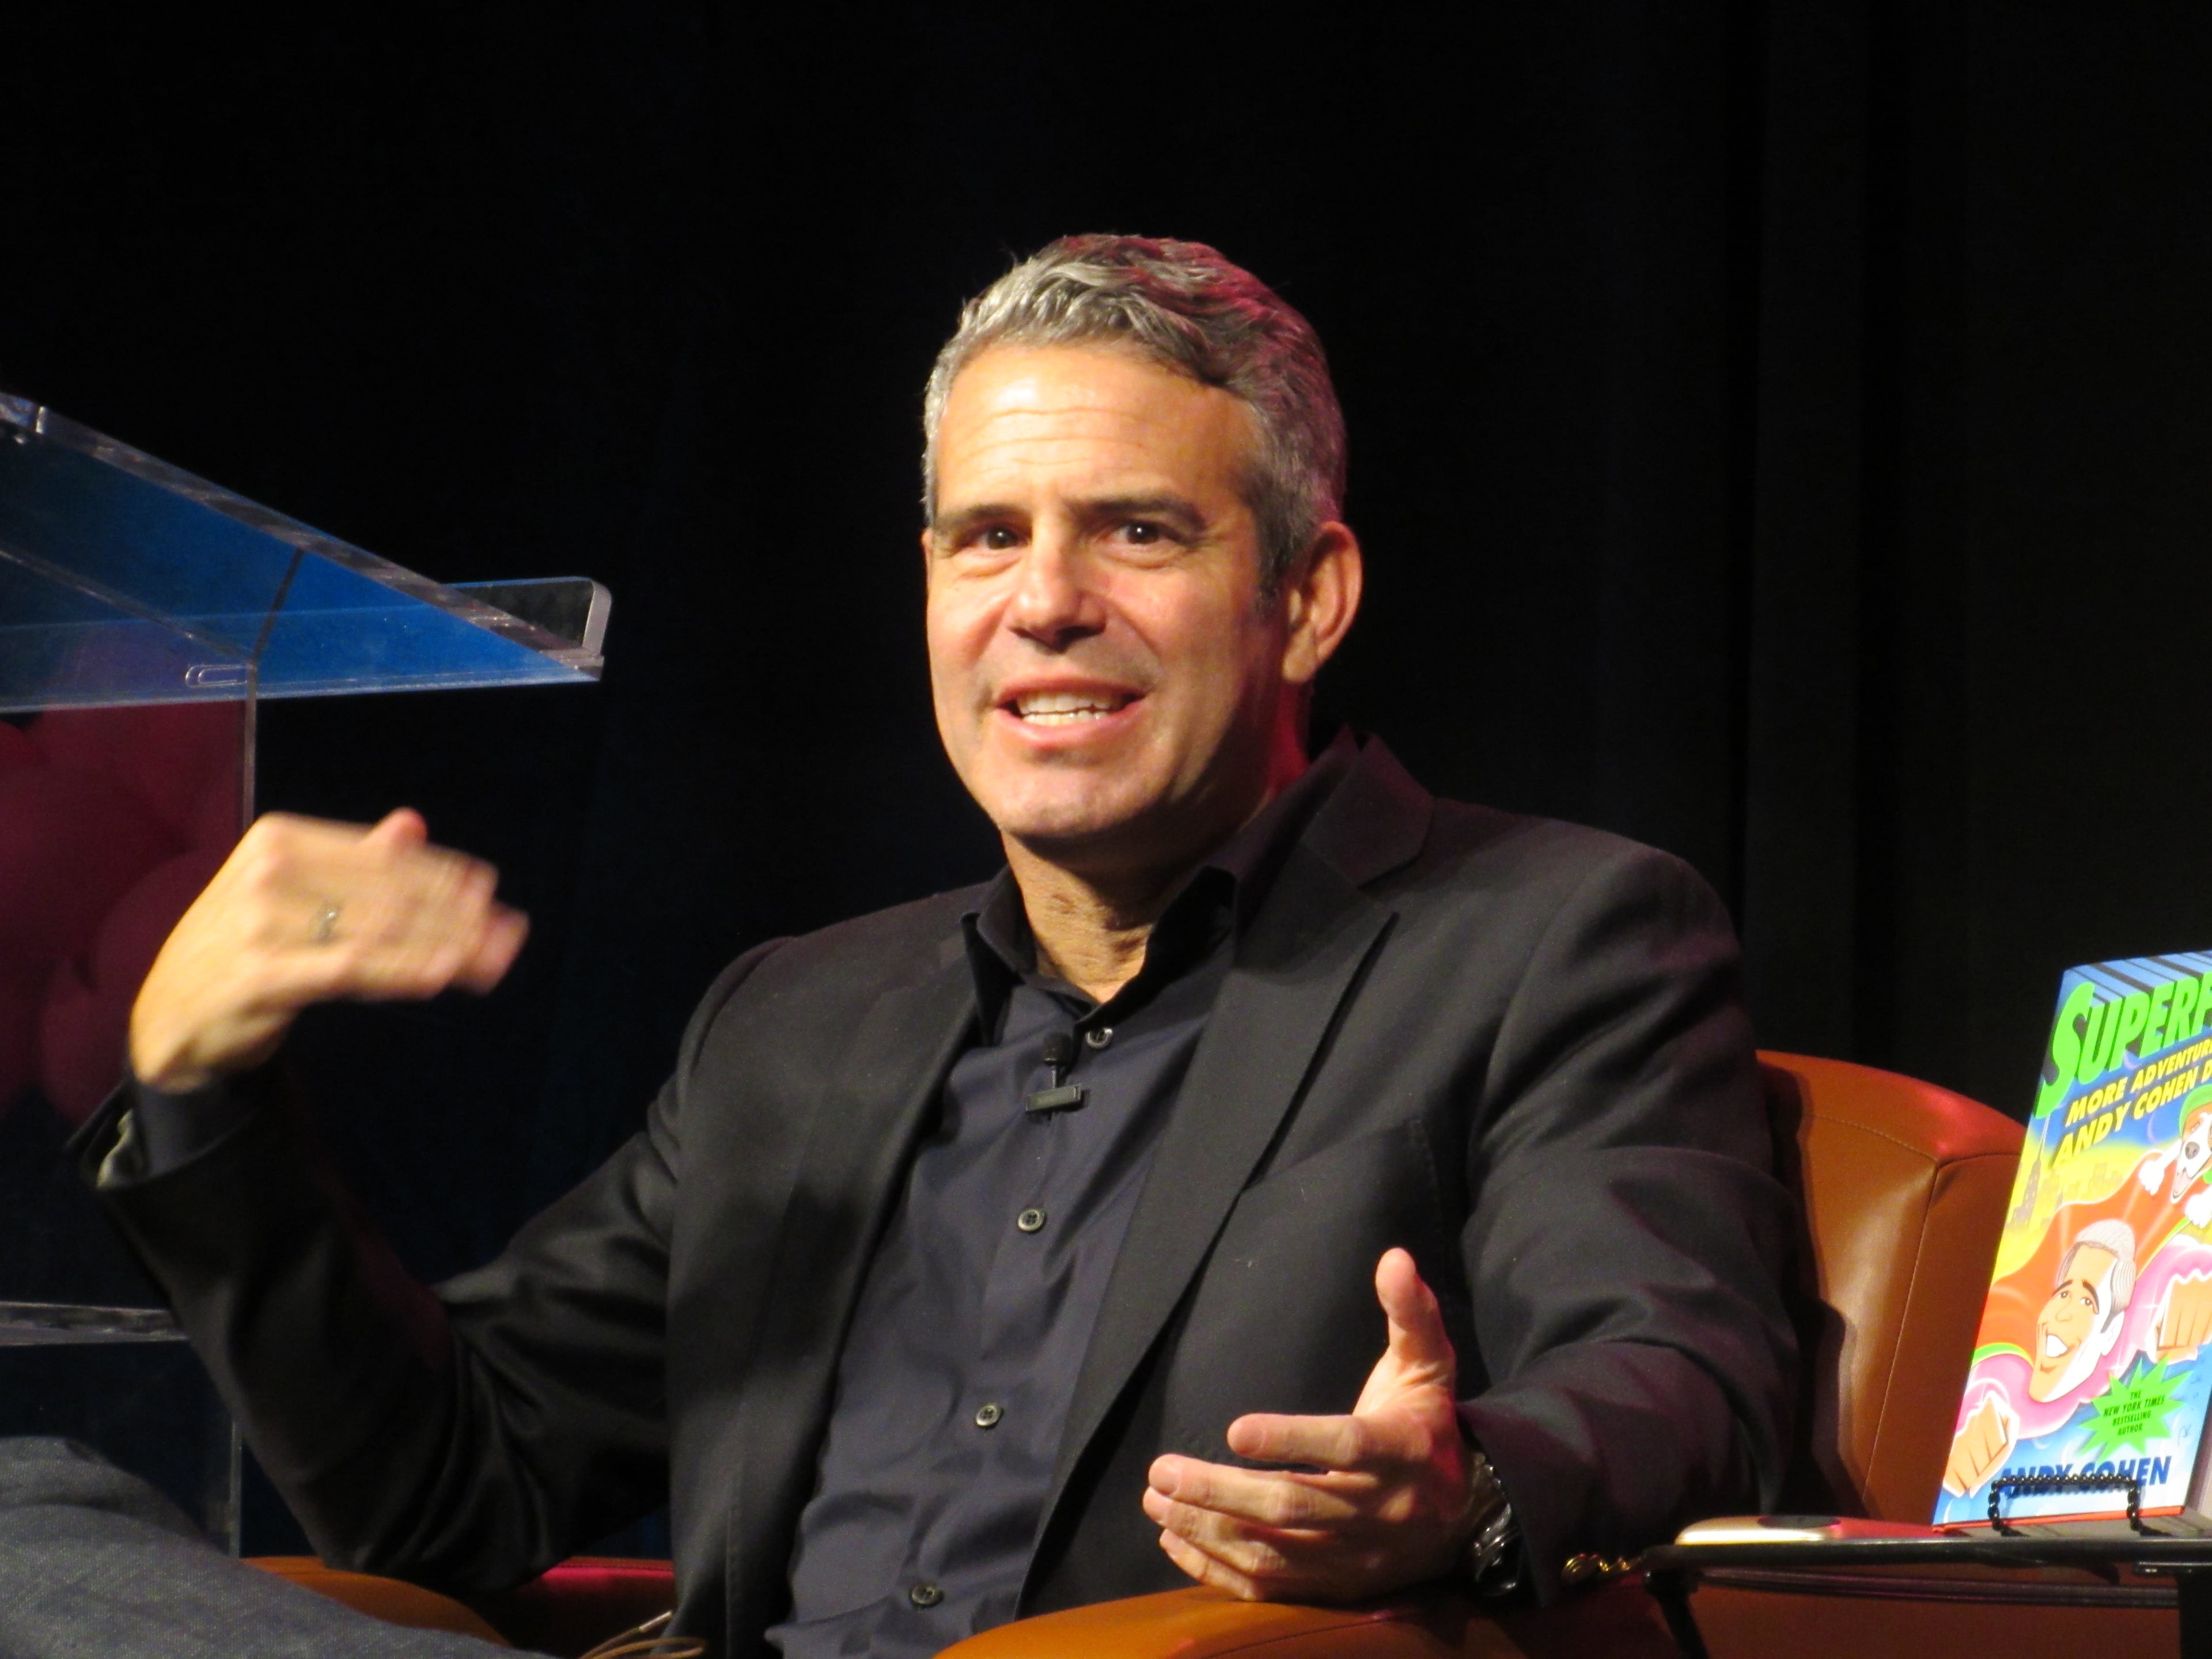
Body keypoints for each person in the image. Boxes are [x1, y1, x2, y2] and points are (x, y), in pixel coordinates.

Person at [84, 236, 1795, 1658]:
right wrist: (202, 1091)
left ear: (1310, 595)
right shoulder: (801, 1020)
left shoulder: (1552, 939)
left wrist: (1464, 1488)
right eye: (988, 537)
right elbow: (447, 1492)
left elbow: (1683, 1375)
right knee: (35, 1522)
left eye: (1137, 529)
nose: (1042, 602)